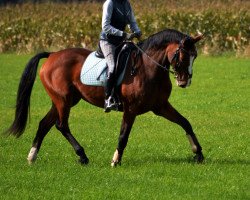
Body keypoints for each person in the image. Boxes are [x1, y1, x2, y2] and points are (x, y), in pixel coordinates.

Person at [99, 0, 141, 112]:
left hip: (121, 41)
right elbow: (105, 26)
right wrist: (123, 34)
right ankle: (108, 98)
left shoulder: (126, 3)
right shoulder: (110, 3)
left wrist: (137, 31)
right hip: (108, 42)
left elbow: (132, 22)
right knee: (112, 66)